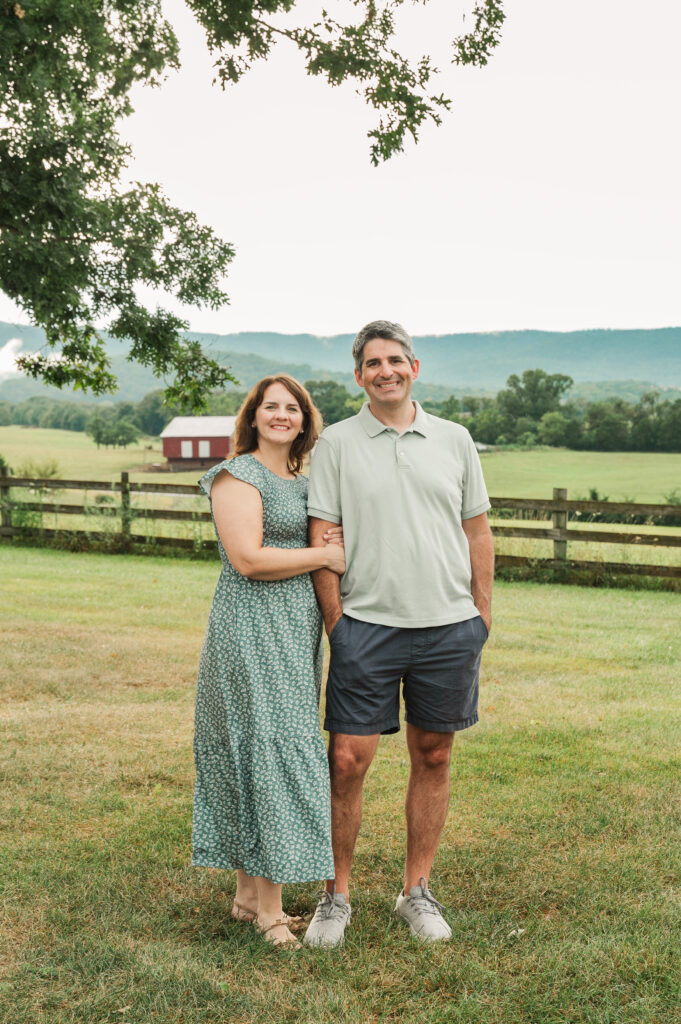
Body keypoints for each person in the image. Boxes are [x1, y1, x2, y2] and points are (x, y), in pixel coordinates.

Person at [304, 321, 494, 947]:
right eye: (373, 363)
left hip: (448, 627)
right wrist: (340, 626)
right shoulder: (336, 443)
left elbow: (477, 531)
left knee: (433, 754)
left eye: (396, 360)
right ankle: (336, 896)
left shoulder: (455, 439)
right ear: (359, 375)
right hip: (367, 628)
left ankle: (416, 892)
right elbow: (323, 537)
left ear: (415, 367)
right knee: (347, 761)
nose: (385, 371)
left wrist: (480, 615)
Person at [192, 374, 345, 949]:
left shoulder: (301, 480)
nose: (281, 415)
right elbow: (249, 558)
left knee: (262, 747)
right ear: (252, 416)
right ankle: (271, 915)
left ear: (304, 420)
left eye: (292, 408)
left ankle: (246, 897)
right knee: (268, 751)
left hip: (292, 633)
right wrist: (326, 553)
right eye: (270, 407)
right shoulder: (238, 475)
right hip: (250, 629)